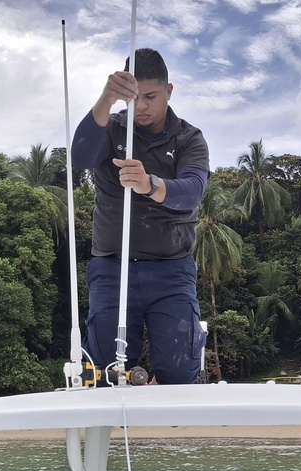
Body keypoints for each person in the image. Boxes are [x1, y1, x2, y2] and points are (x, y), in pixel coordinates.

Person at [72, 48, 209, 385]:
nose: (141, 106)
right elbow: (81, 156)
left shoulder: (189, 138)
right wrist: (106, 99)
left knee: (179, 372)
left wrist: (149, 184)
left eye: (150, 97)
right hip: (111, 267)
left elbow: (192, 191)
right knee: (105, 373)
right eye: (133, 98)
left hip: (171, 269)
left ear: (168, 91)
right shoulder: (111, 128)